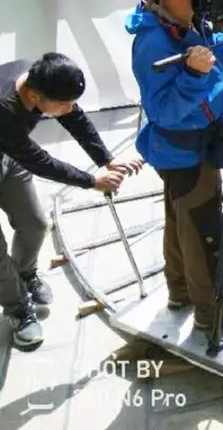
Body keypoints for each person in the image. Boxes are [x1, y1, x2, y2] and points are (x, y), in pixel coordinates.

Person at [126, 0, 223, 332]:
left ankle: (181, 290)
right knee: (205, 230)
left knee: (180, 219)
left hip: (188, 145)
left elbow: (211, 56)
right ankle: (215, 310)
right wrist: (195, 76)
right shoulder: (153, 42)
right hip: (184, 149)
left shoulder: (186, 18)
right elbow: (165, 110)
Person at [0, 53, 134, 349]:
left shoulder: (38, 77)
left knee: (35, 224)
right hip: (16, 150)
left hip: (8, 155)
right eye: (63, 103)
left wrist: (106, 160)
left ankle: (25, 275)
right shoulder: (4, 109)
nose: (70, 108)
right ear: (34, 95)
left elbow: (76, 118)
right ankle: (18, 310)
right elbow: (39, 161)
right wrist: (91, 181)